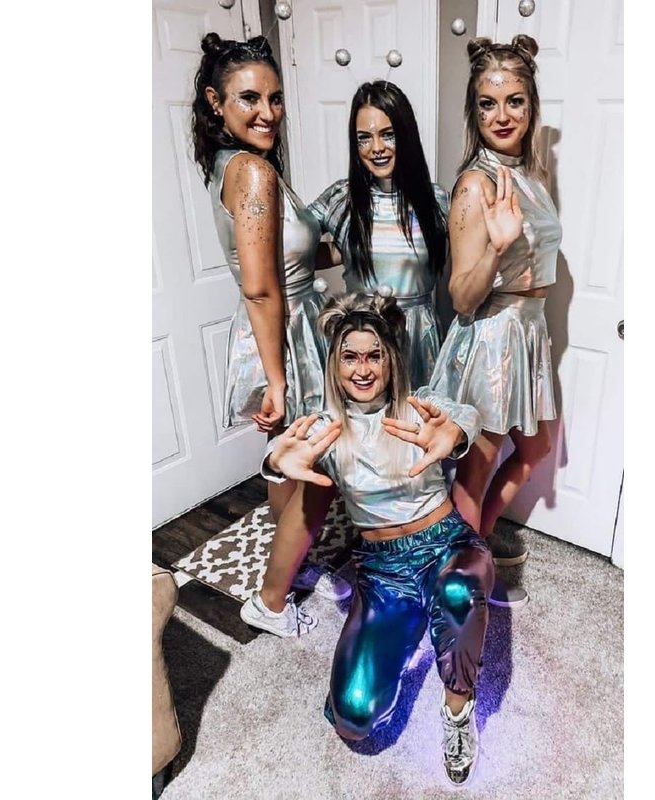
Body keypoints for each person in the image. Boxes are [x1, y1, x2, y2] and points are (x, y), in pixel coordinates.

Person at [240, 293, 494, 787]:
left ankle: (458, 709)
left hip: (447, 545)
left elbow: (464, 415)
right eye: (350, 357)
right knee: (353, 719)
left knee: (458, 592)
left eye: (374, 356)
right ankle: (411, 628)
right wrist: (274, 462)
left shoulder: (419, 404)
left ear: (390, 359)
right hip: (383, 571)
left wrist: (455, 434)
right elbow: (285, 452)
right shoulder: (326, 427)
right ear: (334, 364)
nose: (362, 369)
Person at [191, 33, 349, 602]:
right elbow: (260, 289)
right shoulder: (252, 172)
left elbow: (289, 258)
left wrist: (354, 245)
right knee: (310, 459)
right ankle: (274, 595)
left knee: (291, 459)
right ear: (216, 103)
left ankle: (296, 563)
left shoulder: (235, 165)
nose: (268, 112)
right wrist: (277, 381)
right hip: (283, 329)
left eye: (275, 98)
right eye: (250, 98)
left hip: (290, 321)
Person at [429, 35, 562, 607]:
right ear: (474, 111)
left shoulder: (530, 173)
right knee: (473, 476)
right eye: (488, 103)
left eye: (514, 101)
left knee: (534, 450)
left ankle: (472, 554)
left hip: (528, 332)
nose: (502, 115)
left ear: (531, 106)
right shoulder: (475, 184)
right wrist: (497, 247)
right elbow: (461, 296)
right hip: (492, 339)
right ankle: (455, 593)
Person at [308, 81, 449, 390]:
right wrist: (343, 250)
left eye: (388, 134)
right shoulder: (341, 198)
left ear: (406, 135)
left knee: (417, 418)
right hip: (362, 340)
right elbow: (293, 245)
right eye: (364, 138)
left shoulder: (436, 200)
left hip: (418, 340)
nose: (376, 148)